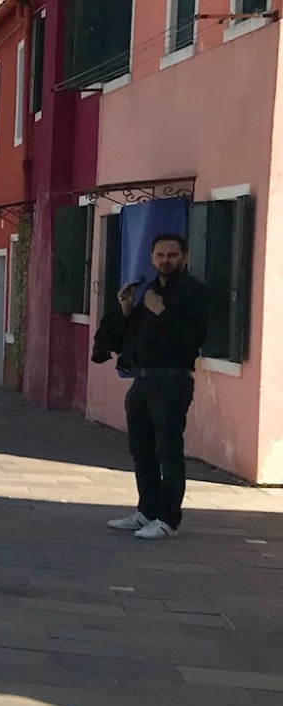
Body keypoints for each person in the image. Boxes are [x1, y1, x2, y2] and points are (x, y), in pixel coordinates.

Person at [107, 232, 208, 541]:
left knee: (168, 451)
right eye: (160, 255)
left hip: (172, 380)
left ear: (184, 257)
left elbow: (193, 338)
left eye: (172, 255)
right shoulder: (150, 289)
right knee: (141, 449)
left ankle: (168, 520)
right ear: (152, 258)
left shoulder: (194, 292)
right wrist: (128, 309)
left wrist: (161, 310)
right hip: (143, 379)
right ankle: (147, 512)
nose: (166, 260)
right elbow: (137, 334)